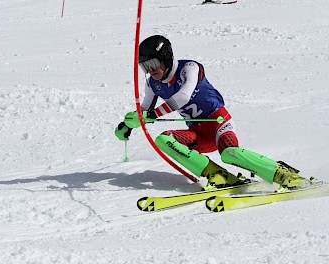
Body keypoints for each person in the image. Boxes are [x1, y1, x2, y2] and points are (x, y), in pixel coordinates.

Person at [115, 35, 312, 191]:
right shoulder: (153, 83)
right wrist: (127, 125)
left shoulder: (189, 68)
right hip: (198, 134)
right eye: (144, 67)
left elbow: (183, 96)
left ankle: (282, 174)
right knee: (163, 140)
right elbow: (145, 112)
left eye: (152, 64)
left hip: (219, 124)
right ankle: (217, 174)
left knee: (229, 153)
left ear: (165, 58)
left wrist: (153, 115)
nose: (150, 71)